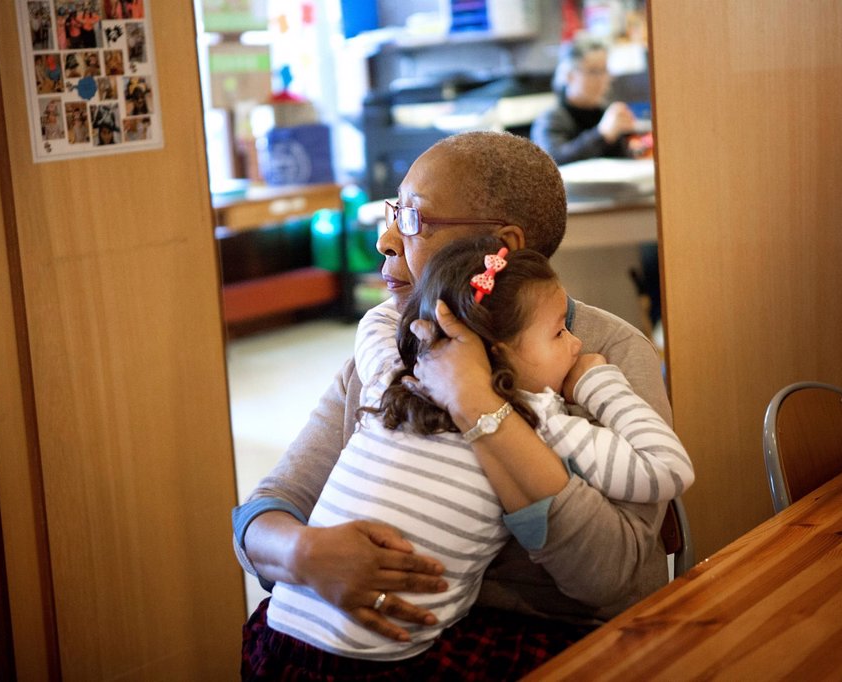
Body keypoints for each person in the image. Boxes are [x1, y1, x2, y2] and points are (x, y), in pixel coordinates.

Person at [234, 131, 675, 679]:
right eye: (393, 212)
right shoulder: (394, 348)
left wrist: (478, 406)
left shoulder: (600, 356)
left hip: (552, 642)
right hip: (359, 642)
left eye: (414, 218)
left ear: (501, 248)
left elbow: (613, 575)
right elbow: (264, 512)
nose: (386, 240)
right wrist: (306, 554)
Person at [530, 33, 638, 165]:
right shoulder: (550, 120)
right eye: (593, 71)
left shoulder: (606, 114)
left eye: (604, 70)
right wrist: (601, 135)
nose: (602, 79)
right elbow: (552, 162)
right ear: (569, 75)